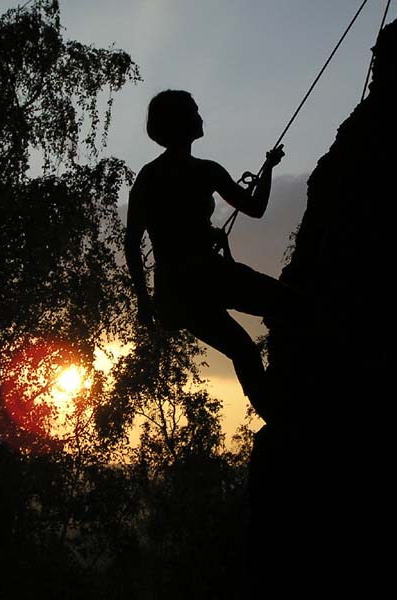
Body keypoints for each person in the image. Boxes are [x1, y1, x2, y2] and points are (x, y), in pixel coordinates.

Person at [125, 89, 302, 423]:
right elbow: (255, 208)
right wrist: (269, 170)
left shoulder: (149, 177)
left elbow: (136, 241)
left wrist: (143, 299)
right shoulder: (206, 171)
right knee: (290, 307)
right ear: (181, 122)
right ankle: (289, 406)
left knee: (243, 350)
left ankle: (278, 418)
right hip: (210, 275)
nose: (201, 116)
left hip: (176, 291)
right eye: (194, 110)